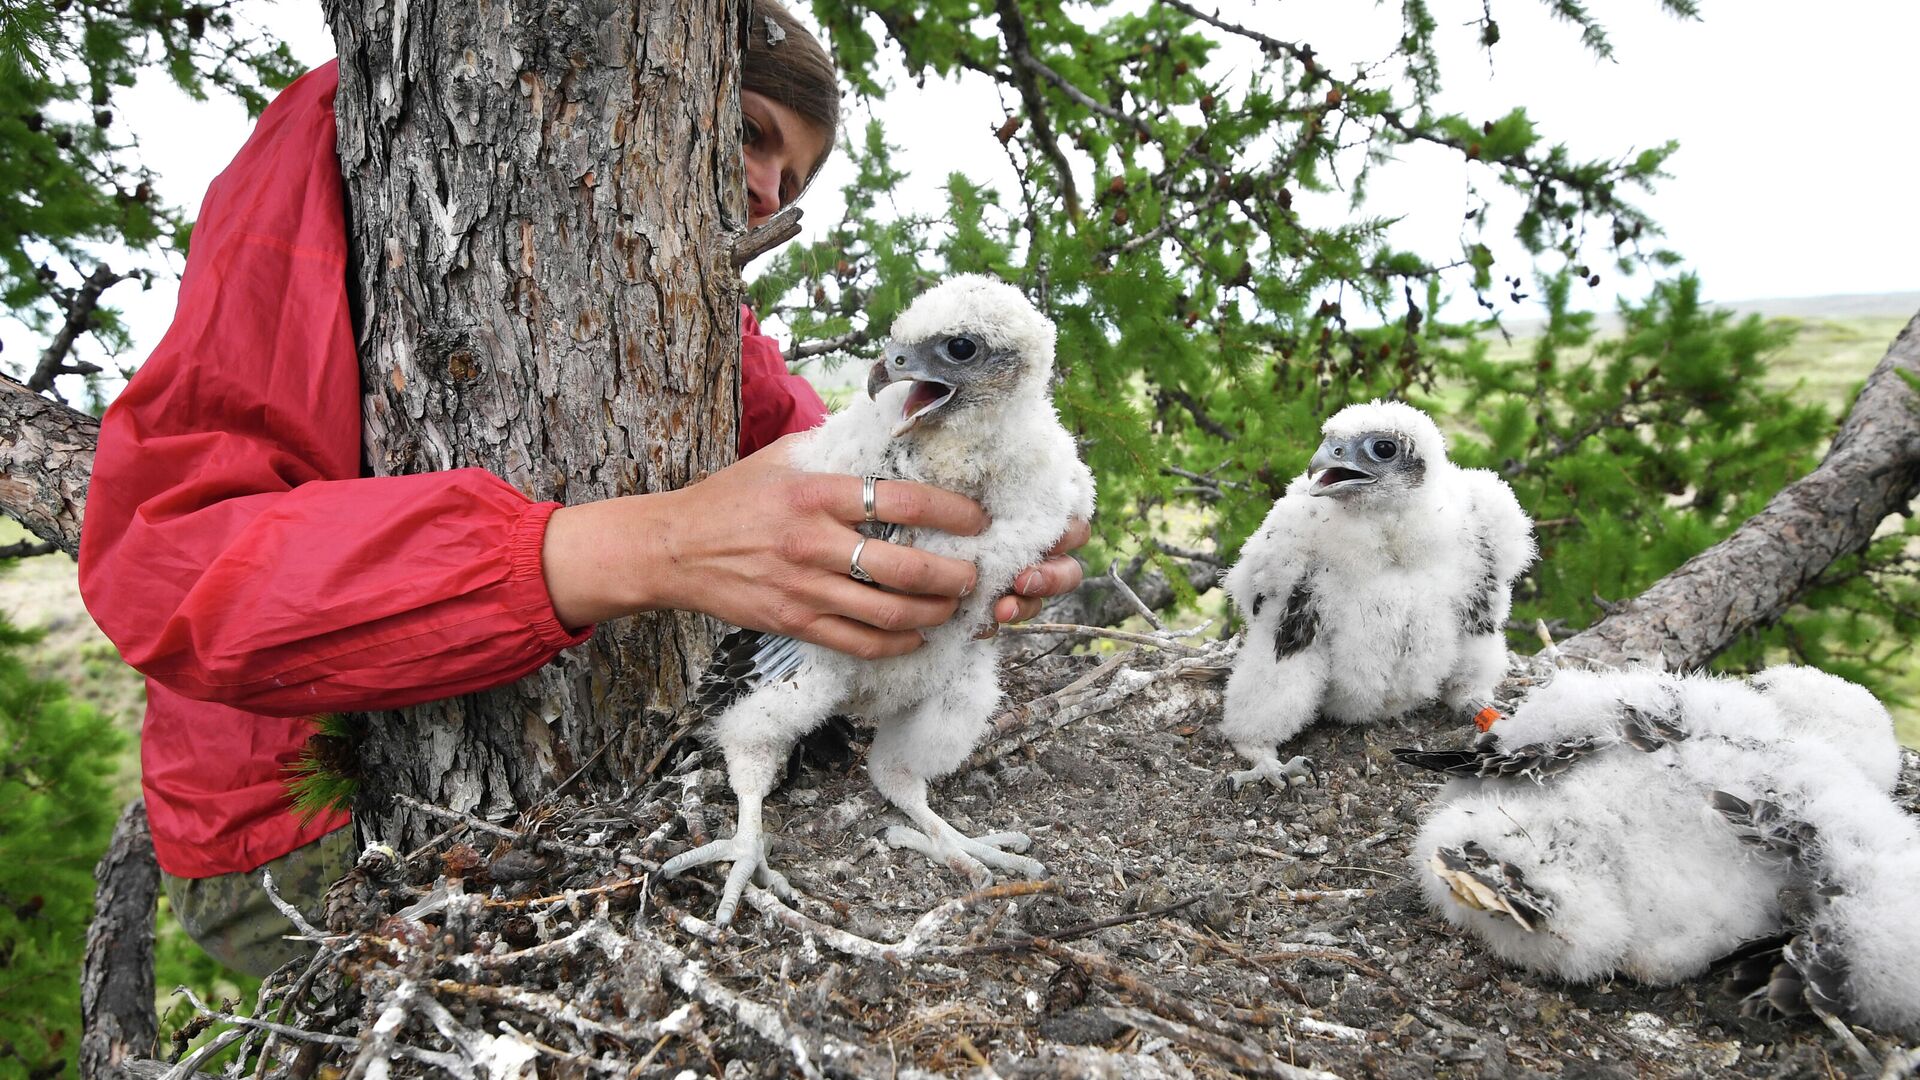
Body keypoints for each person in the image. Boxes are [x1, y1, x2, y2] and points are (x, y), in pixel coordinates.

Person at [77, 0, 1087, 977]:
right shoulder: (355, 139)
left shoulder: (674, 290)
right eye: (749, 131)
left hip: (608, 782)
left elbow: (813, 446)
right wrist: (647, 549)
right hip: (297, 832)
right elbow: (163, 568)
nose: (774, 193)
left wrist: (979, 521)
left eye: (795, 174)